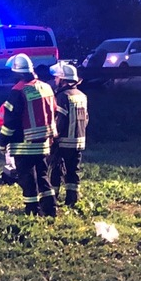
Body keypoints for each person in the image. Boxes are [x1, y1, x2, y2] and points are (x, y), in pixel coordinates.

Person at [0, 53, 58, 216]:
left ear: (17, 72)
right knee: (43, 175)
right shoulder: (46, 87)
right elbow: (54, 111)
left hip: (23, 145)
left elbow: (10, 121)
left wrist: (3, 142)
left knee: (27, 179)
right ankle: (50, 208)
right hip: (44, 142)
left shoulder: (18, 91)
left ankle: (32, 211)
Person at [49, 62, 89, 207]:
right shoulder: (82, 96)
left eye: (57, 78)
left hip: (63, 141)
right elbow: (86, 118)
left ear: (64, 79)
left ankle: (52, 198)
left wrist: (54, 137)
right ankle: (72, 200)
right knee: (73, 171)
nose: (55, 80)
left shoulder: (62, 96)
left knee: (56, 169)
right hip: (79, 140)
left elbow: (60, 120)